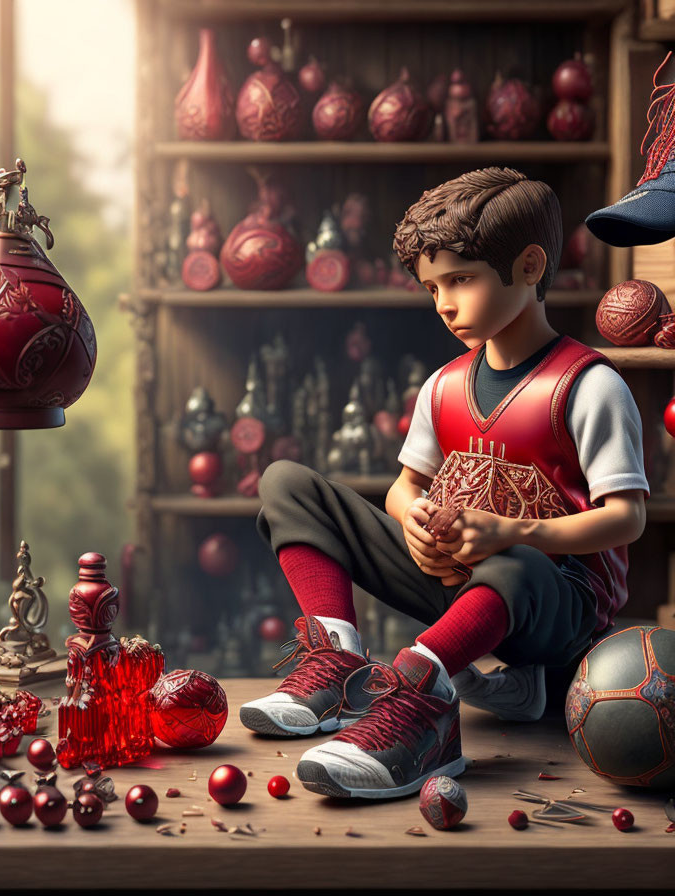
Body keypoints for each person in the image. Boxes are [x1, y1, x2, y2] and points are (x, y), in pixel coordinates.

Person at [240, 167, 650, 800]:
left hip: (556, 605)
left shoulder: (588, 386)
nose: (445, 303)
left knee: (515, 563)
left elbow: (626, 518)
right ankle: (339, 665)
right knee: (286, 482)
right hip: (456, 585)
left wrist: (512, 532)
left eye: (461, 279)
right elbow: (405, 487)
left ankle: (420, 691)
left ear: (530, 265)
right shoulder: (443, 385)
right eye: (433, 286)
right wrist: (413, 519)